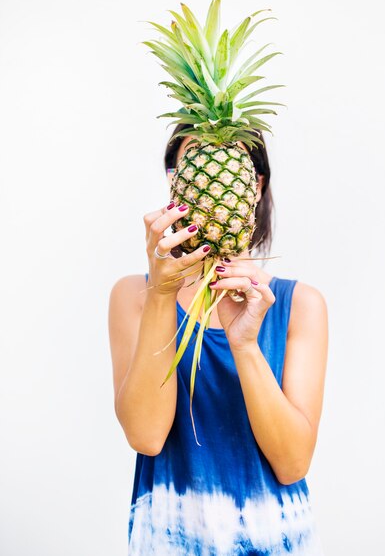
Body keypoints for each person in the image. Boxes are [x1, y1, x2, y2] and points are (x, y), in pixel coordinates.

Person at [108, 123, 329, 555]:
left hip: (275, 541)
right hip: (167, 540)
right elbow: (146, 436)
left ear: (255, 183)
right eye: (193, 163)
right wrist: (161, 293)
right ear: (175, 180)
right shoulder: (133, 296)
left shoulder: (300, 304)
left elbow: (293, 463)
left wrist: (244, 344)